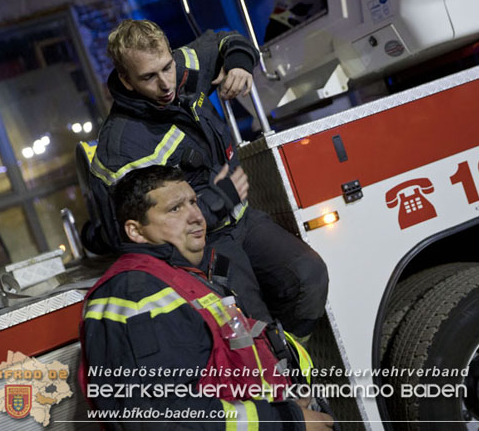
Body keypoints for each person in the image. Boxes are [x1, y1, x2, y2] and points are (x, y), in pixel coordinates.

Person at [83, 19, 328, 342]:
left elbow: (226, 38)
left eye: (167, 67)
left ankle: (290, 363)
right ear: (126, 81)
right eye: (149, 77)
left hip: (242, 220)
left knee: (308, 276)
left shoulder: (183, 68)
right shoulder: (124, 146)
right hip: (204, 247)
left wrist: (239, 64)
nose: (166, 84)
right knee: (249, 327)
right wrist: (217, 201)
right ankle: (276, 379)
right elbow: (138, 229)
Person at [80, 165, 334, 430]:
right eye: (175, 209)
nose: (196, 216)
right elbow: (163, 416)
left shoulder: (184, 276)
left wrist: (290, 400)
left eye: (193, 202)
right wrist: (286, 421)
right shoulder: (136, 293)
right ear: (136, 231)